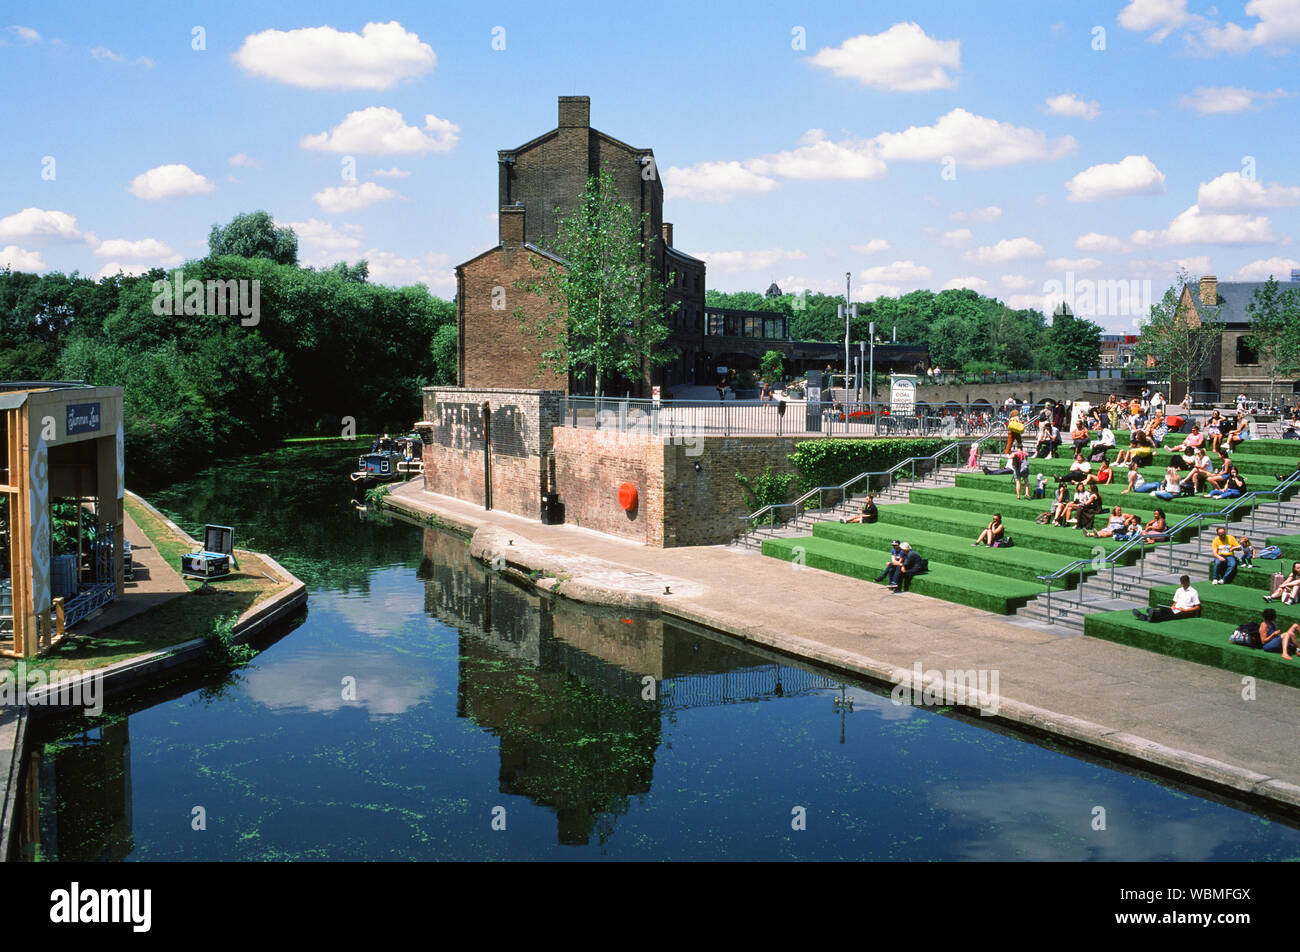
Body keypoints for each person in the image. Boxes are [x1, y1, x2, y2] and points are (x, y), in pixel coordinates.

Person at [1132, 575, 1200, 623]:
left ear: (1188, 582)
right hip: (1175, 609)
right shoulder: (1179, 590)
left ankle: (1146, 616)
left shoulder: (1193, 592)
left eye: (1184, 583)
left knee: (1168, 616)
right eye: (1182, 583)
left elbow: (1197, 607)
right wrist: (1173, 606)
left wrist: (1185, 609)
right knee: (1161, 609)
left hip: (1185, 611)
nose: (1182, 585)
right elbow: (1175, 602)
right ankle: (1151, 613)